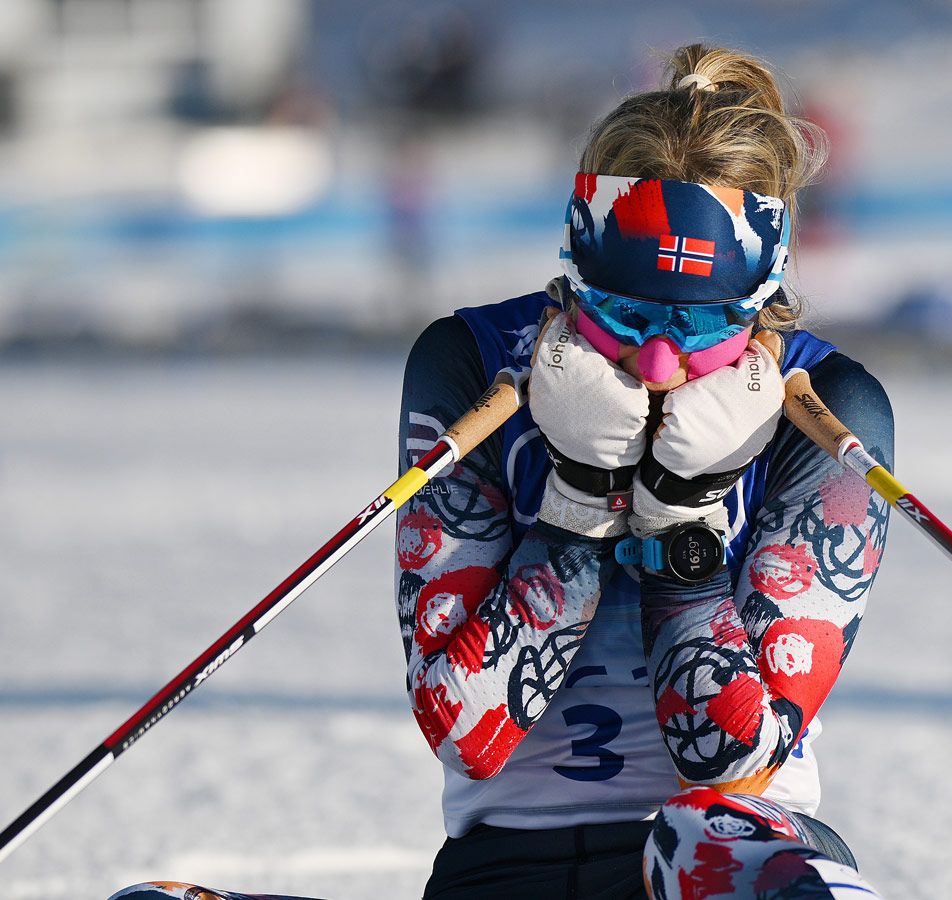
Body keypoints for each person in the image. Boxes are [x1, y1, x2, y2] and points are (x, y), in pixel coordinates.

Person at [111, 43, 893, 900]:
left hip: (730, 854)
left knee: (717, 839)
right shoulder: (472, 367)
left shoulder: (827, 409)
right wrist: (581, 503)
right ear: (576, 265)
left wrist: (682, 514)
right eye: (625, 314)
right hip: (513, 862)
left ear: (764, 291)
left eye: (703, 324)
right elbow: (467, 732)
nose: (662, 361)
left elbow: (734, 763)